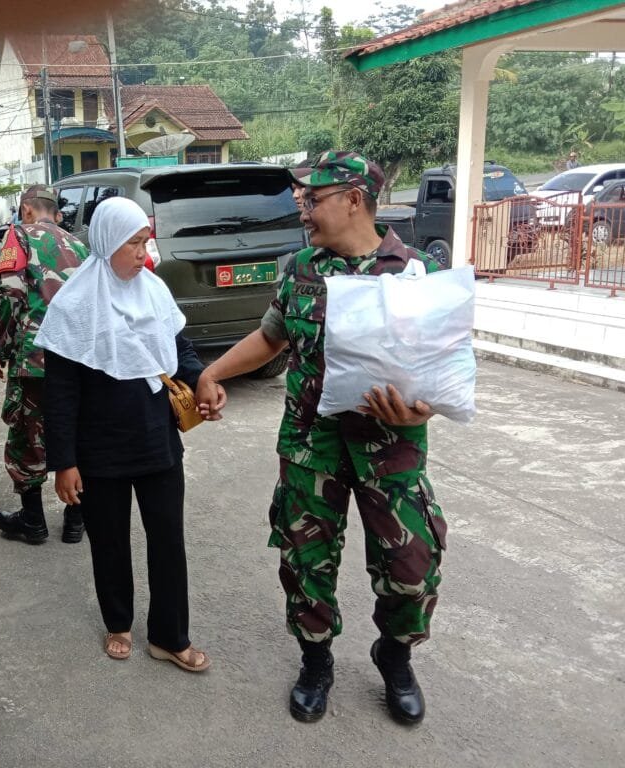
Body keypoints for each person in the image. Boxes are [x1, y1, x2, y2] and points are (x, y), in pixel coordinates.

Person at [195, 151, 447, 724]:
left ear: (352, 199)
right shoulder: (302, 268)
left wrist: (421, 415)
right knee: (305, 561)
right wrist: (212, 372)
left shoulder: (413, 275)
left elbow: (441, 374)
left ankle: (396, 654)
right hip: (312, 447)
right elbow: (271, 337)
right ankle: (315, 659)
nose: (302, 210)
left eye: (312, 199)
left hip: (391, 452)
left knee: (412, 567)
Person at [36, 196, 223, 671]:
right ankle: (118, 622)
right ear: (106, 243)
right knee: (110, 541)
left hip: (156, 437)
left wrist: (202, 378)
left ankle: (169, 636)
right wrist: (64, 462)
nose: (144, 253)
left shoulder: (153, 291)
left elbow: (177, 346)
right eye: (133, 243)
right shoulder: (74, 307)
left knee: (168, 539)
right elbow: (59, 394)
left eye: (145, 242)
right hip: (98, 449)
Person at [0, 185, 88, 544]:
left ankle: (33, 522)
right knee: (76, 431)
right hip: (78, 358)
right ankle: (76, 521)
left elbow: (10, 295)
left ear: (26, 210)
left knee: (27, 435)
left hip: (35, 357)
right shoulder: (79, 244)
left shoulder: (18, 236)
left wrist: (1, 348)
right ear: (55, 212)